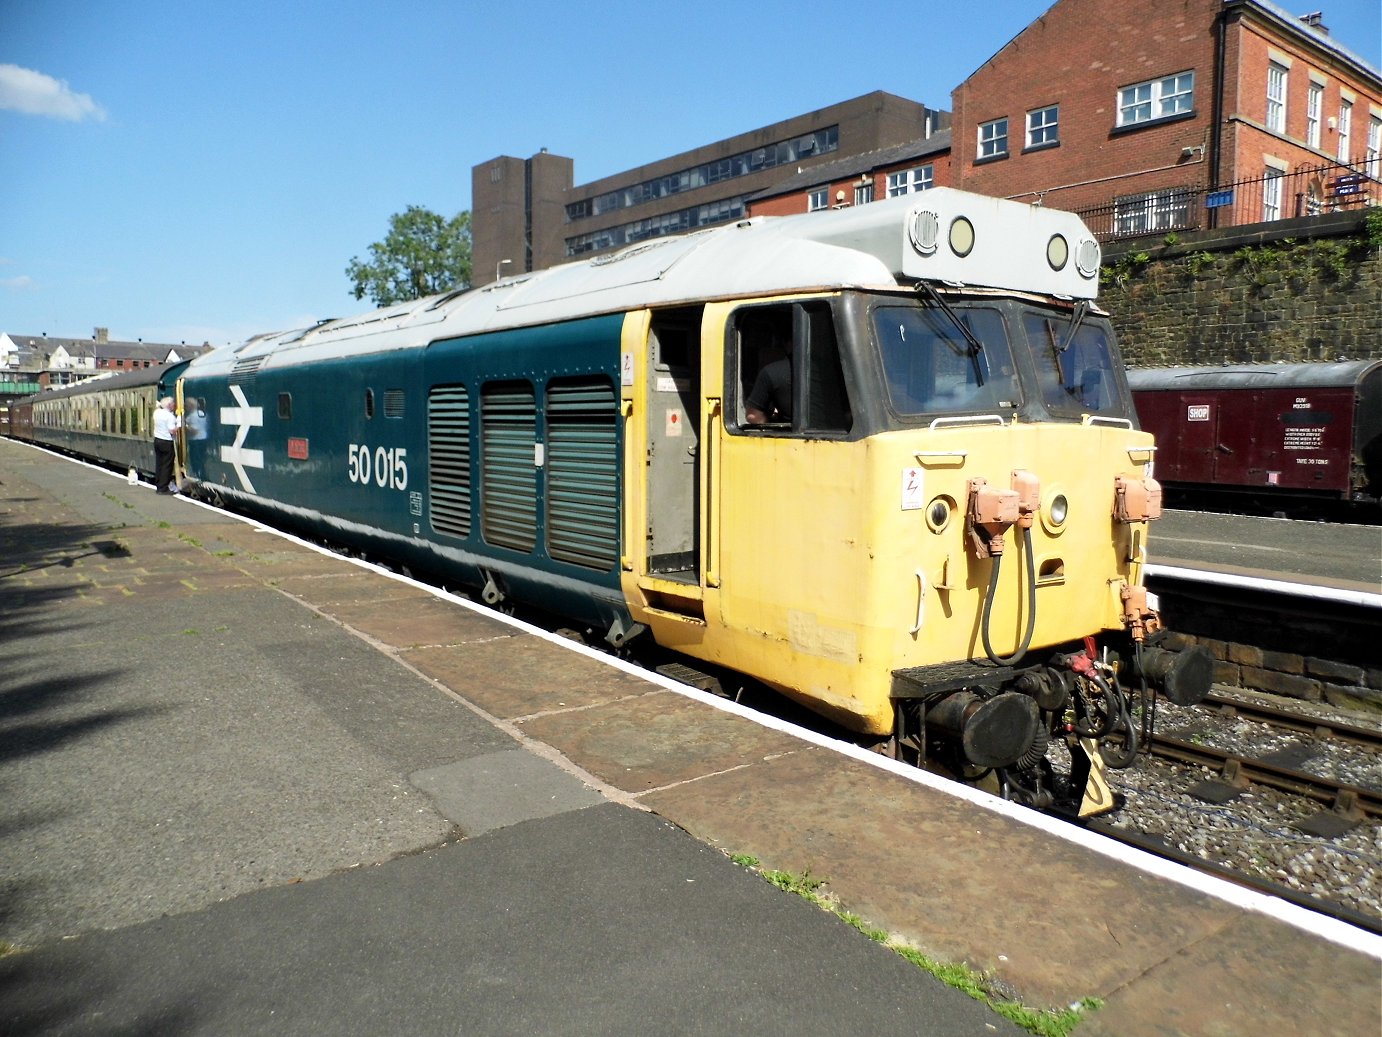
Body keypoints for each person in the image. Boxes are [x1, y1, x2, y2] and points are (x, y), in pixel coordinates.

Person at [745, 326, 793, 425]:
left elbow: (753, 416)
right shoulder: (829, 368)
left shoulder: (770, 372)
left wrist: (771, 422)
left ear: (785, 343)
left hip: (788, 437)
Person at [152, 396, 181, 494]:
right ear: (169, 405)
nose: (174, 405)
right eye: (173, 404)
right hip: (166, 442)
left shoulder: (156, 413)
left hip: (157, 440)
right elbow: (172, 431)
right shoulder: (170, 416)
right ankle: (163, 488)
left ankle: (158, 485)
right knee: (167, 465)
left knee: (159, 464)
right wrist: (179, 425)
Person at [183, 396, 207, 475]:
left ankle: (197, 473)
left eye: (186, 406)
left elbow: (194, 430)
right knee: (202, 458)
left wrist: (185, 427)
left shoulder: (192, 417)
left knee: (195, 458)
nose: (185, 407)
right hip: (203, 438)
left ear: (190, 406)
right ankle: (201, 472)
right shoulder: (201, 413)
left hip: (195, 440)